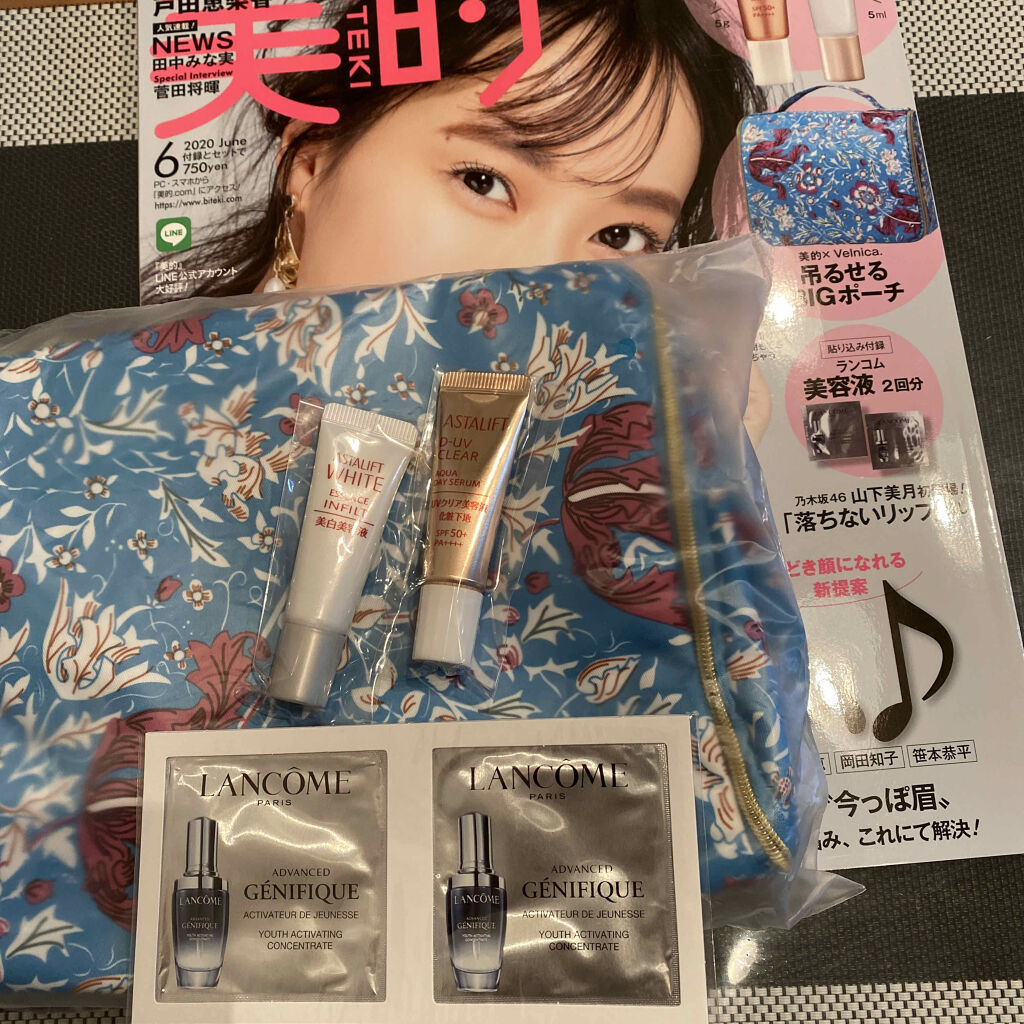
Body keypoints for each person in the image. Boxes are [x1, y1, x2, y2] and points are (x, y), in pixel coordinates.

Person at [163, 0, 771, 440]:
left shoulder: (621, 478)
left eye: (621, 236)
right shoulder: (136, 422)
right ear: (312, 159)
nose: (542, 289)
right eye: (483, 181)